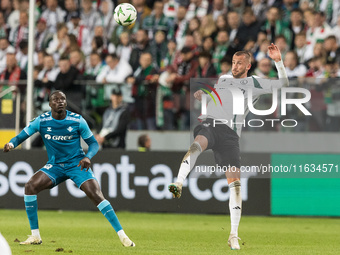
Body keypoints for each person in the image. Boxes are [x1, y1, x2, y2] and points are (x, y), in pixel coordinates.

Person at [168, 44, 288, 250]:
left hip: (231, 136)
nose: (235, 66)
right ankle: (178, 183)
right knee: (197, 145)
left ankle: (233, 234)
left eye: (239, 63)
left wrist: (278, 61)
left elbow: (284, 84)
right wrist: (203, 97)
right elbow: (217, 102)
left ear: (248, 66)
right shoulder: (223, 79)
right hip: (211, 125)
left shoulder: (255, 83)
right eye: (233, 62)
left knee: (236, 184)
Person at [3, 90, 135, 247]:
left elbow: (93, 143)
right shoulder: (42, 121)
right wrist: (11, 144)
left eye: (63, 99)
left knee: (96, 194)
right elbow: (23, 135)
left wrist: (87, 157)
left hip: (76, 164)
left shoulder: (78, 121)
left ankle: (123, 236)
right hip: (55, 166)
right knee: (30, 186)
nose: (60, 101)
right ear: (50, 104)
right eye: (56, 99)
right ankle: (35, 236)